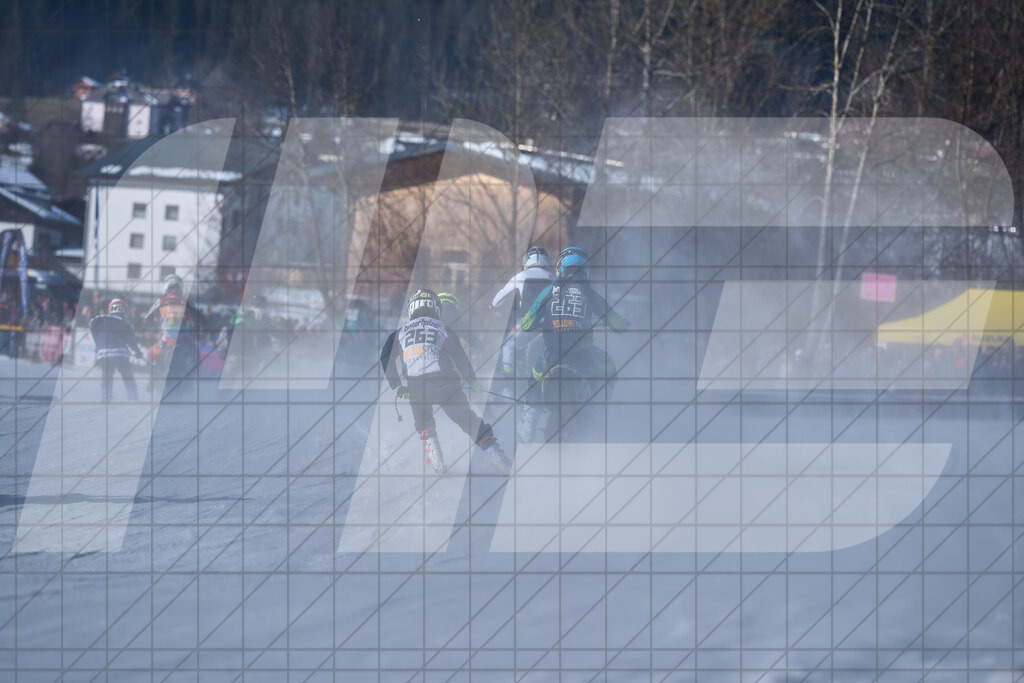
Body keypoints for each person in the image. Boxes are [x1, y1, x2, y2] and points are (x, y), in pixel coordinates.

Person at [380, 288, 511, 474]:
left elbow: (385, 357)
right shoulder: (443, 328)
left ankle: (436, 459)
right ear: (435, 308)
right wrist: (472, 380)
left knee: (423, 419)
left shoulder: (399, 333)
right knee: (467, 420)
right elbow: (460, 359)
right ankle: (496, 455)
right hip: (445, 383)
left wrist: (396, 386)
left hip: (417, 386)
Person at [521, 246, 629, 382]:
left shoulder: (549, 291)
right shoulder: (589, 293)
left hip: (552, 356)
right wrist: (626, 324)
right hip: (583, 357)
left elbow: (526, 324)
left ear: (560, 268)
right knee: (609, 368)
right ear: (585, 269)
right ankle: (600, 403)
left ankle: (531, 403)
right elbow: (616, 323)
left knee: (535, 378)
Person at [491, 247, 555, 376]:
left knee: (508, 346)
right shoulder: (552, 277)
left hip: (527, 325)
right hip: (549, 326)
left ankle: (508, 378)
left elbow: (497, 300)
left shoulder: (521, 276)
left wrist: (493, 306)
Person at [144, 273, 204, 372]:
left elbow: (147, 318)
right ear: (180, 288)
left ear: (166, 287)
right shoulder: (187, 301)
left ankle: (152, 381)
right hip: (184, 339)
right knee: (197, 355)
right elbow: (200, 316)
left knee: (151, 354)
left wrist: (153, 325)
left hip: (166, 339)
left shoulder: (160, 301)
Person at [88, 298, 144, 403]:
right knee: (127, 375)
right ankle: (132, 397)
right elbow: (131, 342)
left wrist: (98, 344)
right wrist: (138, 353)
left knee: (106, 376)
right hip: (121, 353)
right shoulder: (126, 324)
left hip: (103, 354)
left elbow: (91, 324)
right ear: (124, 311)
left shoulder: (100, 318)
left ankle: (106, 397)